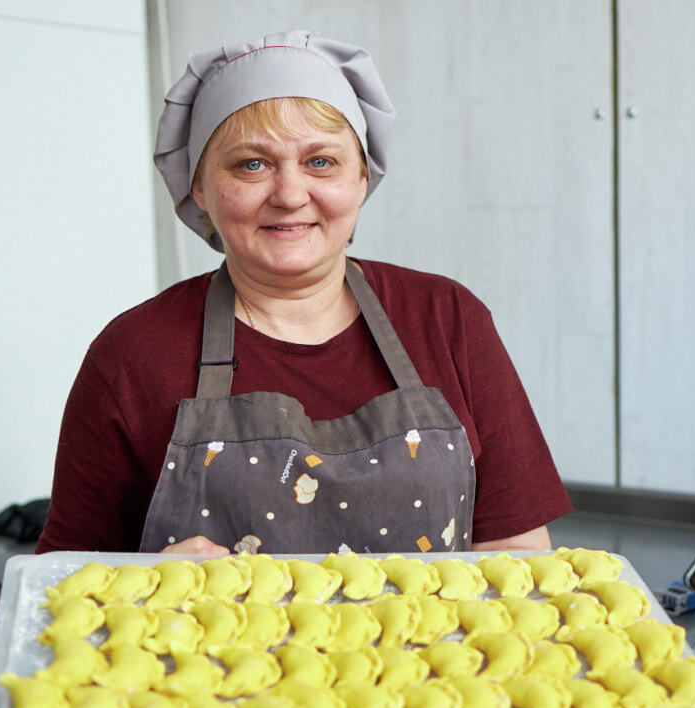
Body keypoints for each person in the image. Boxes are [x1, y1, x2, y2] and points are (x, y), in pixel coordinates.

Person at [36, 30, 570, 556]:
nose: (290, 195)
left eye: (320, 161)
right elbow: (64, 582)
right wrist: (149, 584)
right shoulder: (133, 353)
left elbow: (516, 553)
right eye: (252, 163)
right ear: (199, 187)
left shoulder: (447, 319)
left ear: (362, 176)